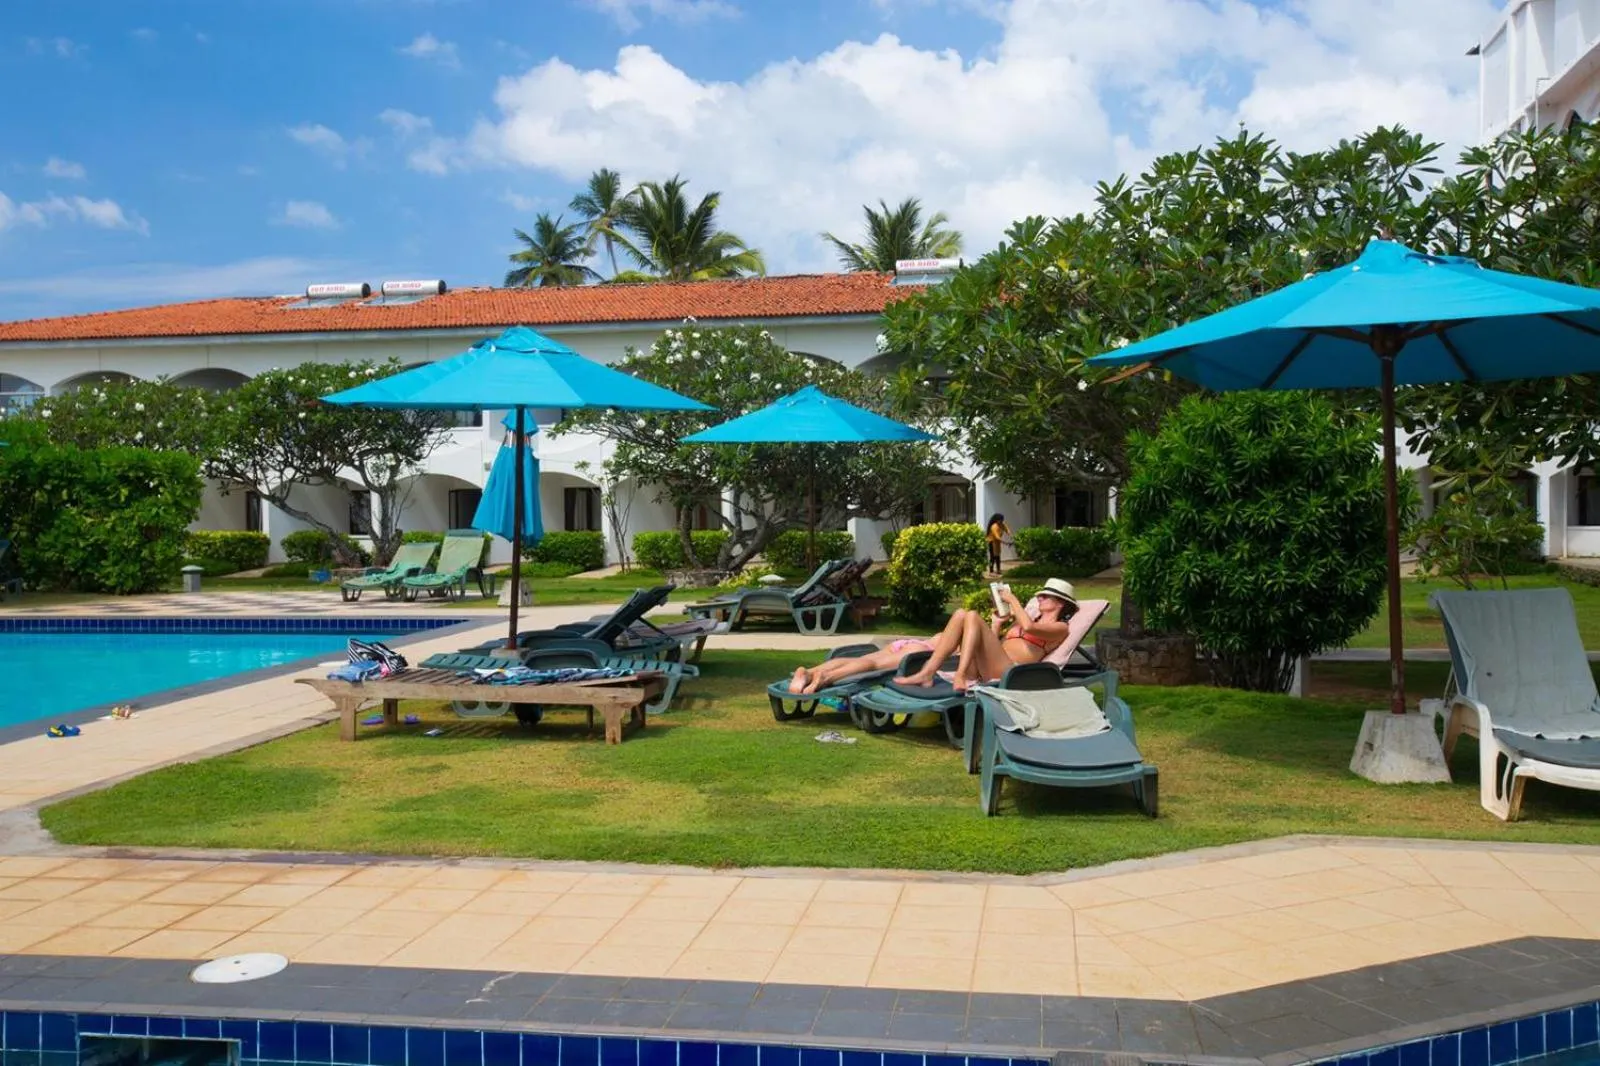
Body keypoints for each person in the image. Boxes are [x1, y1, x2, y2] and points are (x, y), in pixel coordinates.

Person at [902, 577, 1079, 691]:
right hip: (986, 668)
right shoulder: (1030, 620)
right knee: (962, 614)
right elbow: (998, 646)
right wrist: (996, 625)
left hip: (1009, 673)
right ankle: (928, 671)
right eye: (1040, 595)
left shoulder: (1061, 628)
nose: (1039, 598)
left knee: (972, 615)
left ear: (1061, 603)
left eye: (1045, 596)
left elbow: (1029, 628)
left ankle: (960, 674)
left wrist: (1012, 599)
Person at [786, 637, 933, 695]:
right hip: (921, 650)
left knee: (861, 660)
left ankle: (809, 673)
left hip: (909, 643)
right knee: (874, 665)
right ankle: (827, 677)